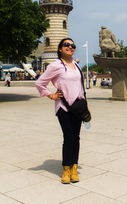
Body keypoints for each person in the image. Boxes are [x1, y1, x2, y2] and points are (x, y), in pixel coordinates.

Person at [36, 38, 85, 184]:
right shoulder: (55, 65)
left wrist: (85, 103)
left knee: (76, 138)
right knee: (69, 137)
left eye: (72, 45)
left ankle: (74, 167)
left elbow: (80, 86)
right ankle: (66, 169)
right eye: (66, 45)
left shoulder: (76, 65)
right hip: (63, 107)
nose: (70, 47)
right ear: (60, 49)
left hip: (78, 106)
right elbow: (40, 82)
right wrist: (50, 95)